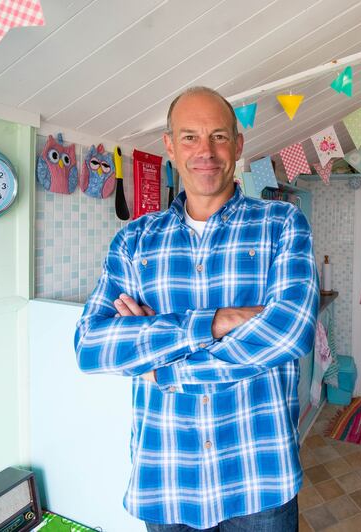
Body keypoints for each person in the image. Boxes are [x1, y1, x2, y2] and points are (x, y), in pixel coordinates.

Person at [74, 86, 318, 531]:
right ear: (169, 145)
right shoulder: (134, 240)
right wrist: (217, 322)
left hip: (258, 478)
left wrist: (164, 368)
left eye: (219, 136)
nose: (205, 151)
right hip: (167, 477)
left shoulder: (282, 223)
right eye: (190, 137)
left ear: (239, 145)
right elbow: (90, 346)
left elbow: (289, 333)